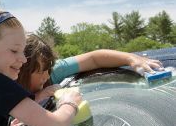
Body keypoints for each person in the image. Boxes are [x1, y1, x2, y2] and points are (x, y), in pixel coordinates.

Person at [17, 34, 164, 101]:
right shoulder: (4, 87)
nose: (47, 76)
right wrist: (37, 98)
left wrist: (131, 58)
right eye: (40, 71)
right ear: (20, 69)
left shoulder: (54, 72)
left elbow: (94, 59)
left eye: (48, 69)